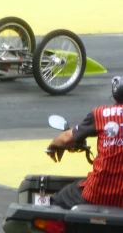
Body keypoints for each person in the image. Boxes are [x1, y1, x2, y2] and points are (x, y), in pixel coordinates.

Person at [47, 76, 123, 210]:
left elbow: (66, 139)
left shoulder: (100, 114)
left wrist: (53, 146)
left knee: (58, 200)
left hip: (99, 193)